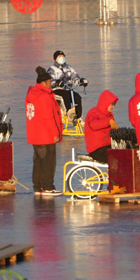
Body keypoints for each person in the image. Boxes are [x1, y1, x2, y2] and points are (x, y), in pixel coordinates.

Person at [25, 67, 65, 197]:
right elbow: (48, 117)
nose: (51, 84)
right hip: (46, 135)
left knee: (38, 161)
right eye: (49, 81)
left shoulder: (32, 94)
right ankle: (48, 186)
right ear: (44, 82)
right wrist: (55, 133)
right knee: (48, 161)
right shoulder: (44, 97)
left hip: (35, 134)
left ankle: (38, 187)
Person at [48, 51, 88, 120]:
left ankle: (79, 118)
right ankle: (69, 112)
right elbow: (49, 82)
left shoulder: (69, 68)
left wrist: (81, 81)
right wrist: (56, 83)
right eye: (60, 57)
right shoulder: (52, 69)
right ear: (55, 59)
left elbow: (75, 78)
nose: (62, 58)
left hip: (68, 89)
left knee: (77, 97)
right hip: (57, 90)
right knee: (65, 95)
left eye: (63, 56)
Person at [85, 90, 119, 164]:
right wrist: (108, 121)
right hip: (97, 149)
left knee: (124, 153)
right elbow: (93, 125)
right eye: (112, 104)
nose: (113, 106)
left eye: (114, 104)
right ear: (106, 103)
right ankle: (116, 175)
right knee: (117, 158)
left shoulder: (109, 115)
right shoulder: (94, 112)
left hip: (107, 146)